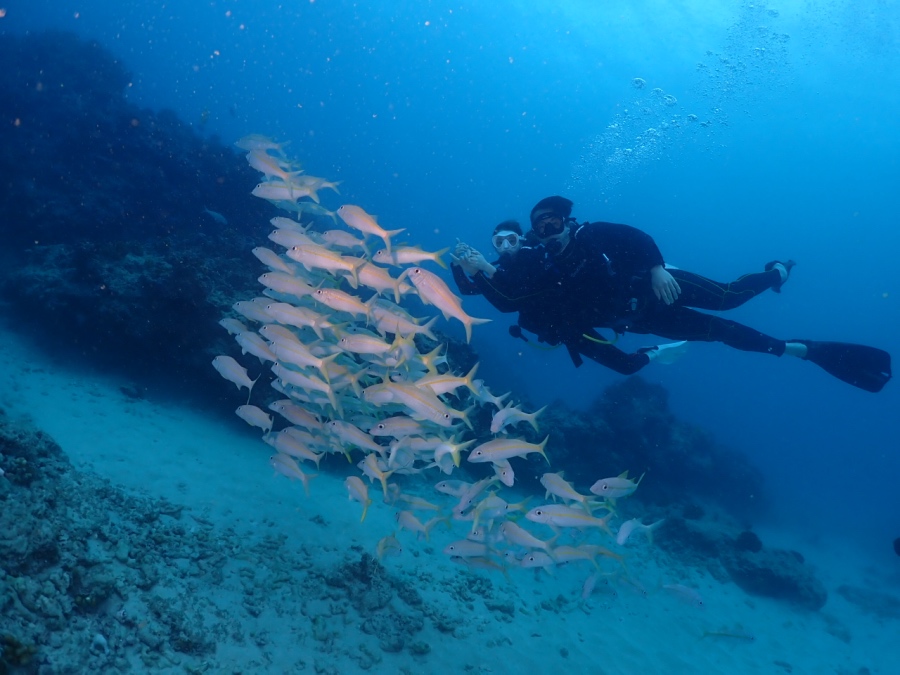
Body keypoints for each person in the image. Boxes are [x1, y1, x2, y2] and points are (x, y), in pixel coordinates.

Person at [479, 196, 892, 392]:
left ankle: (776, 271)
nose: (549, 231)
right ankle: (800, 350)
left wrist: (658, 268)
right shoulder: (547, 269)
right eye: (542, 227)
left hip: (664, 285)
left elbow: (636, 237)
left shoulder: (592, 234)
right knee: (724, 332)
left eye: (553, 222)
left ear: (567, 221)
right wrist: (477, 271)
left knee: (730, 296)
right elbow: (512, 299)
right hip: (646, 319)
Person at [452, 217, 690, 372]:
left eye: (511, 240)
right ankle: (653, 353)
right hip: (563, 329)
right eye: (499, 242)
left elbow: (515, 296)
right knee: (626, 366)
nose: (505, 247)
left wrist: (483, 269)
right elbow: (470, 289)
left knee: (644, 320)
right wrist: (460, 267)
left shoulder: (535, 257)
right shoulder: (496, 267)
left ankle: (661, 274)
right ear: (493, 244)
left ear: (521, 239)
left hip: (580, 314)